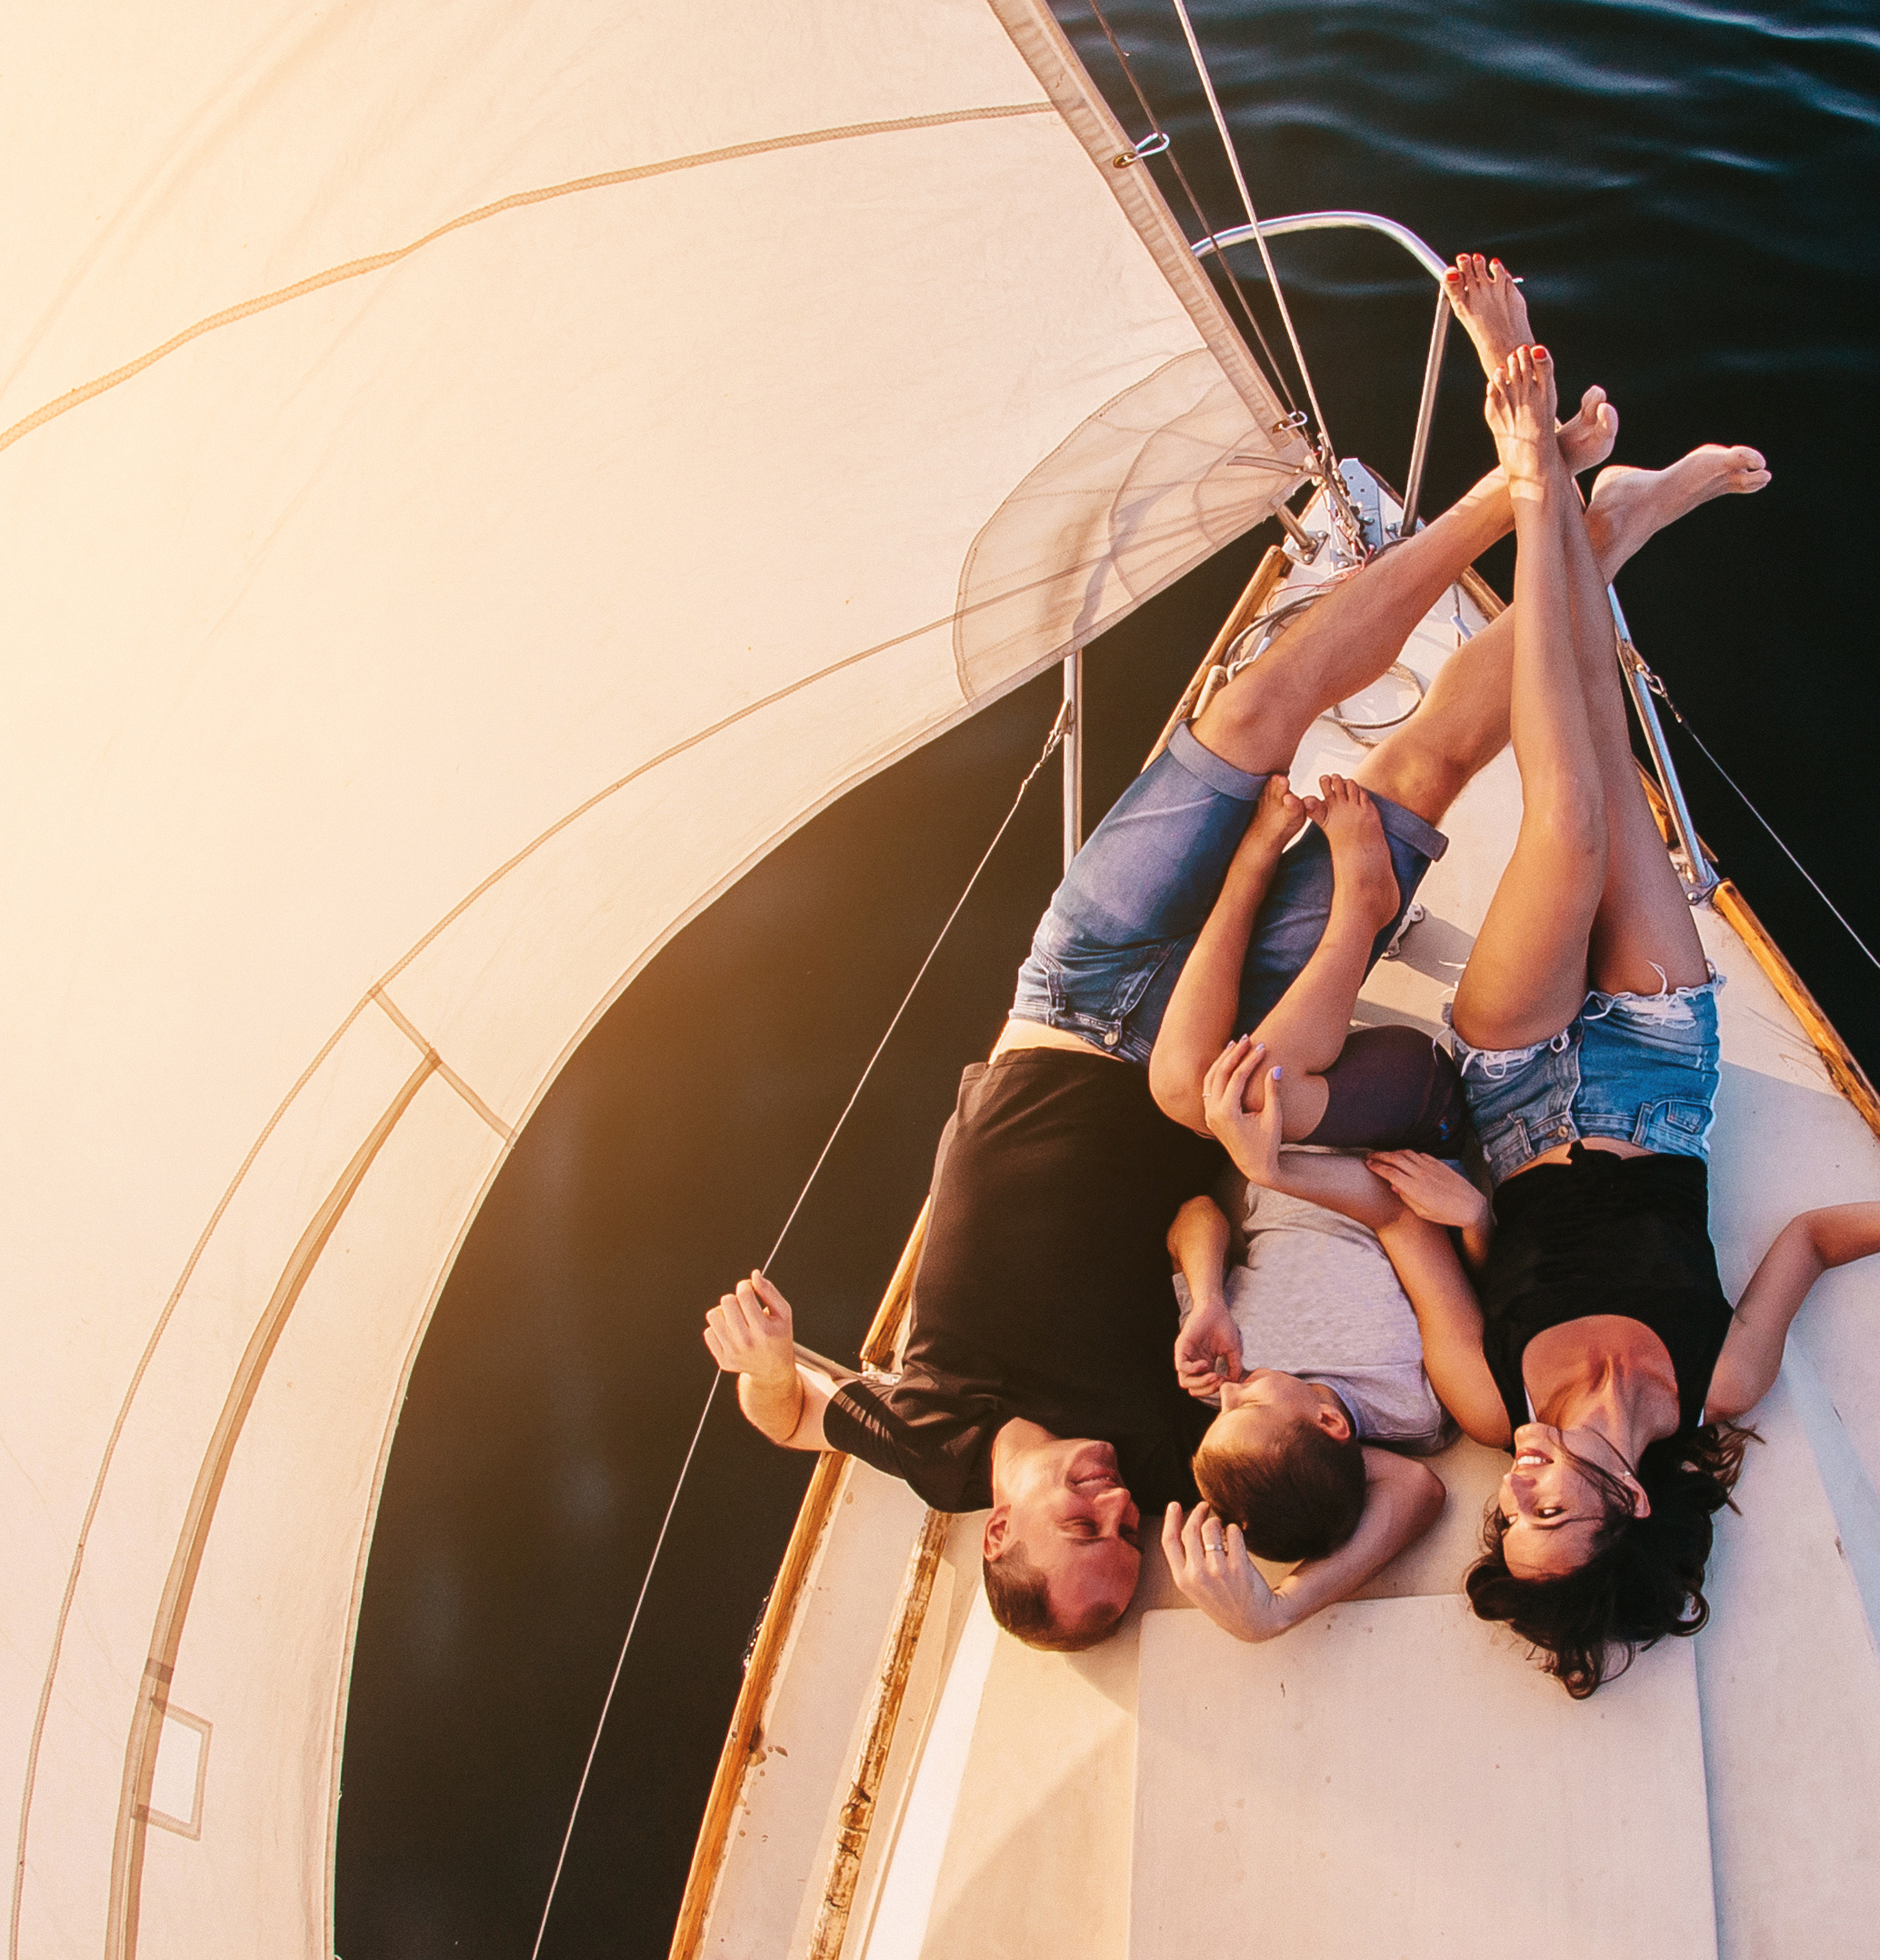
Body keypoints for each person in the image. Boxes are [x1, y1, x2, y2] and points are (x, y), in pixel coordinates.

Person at [705, 265, 1774, 1655]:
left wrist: (756, 1357)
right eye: (1122, 1541)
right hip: (1217, 1041)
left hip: (1068, 998)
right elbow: (1374, 1470)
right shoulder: (1165, 1443)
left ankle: (1509, 502)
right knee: (1422, 765)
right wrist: (1281, 1598)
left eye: (1075, 1525)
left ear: (1001, 1534)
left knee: (1260, 704)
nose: (1108, 1509)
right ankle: (1586, 524)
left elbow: (795, 1413)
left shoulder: (928, 1438)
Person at [1261, 267, 1880, 1697]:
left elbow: (1391, 1215)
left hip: (1511, 1085)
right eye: (1547, 1506)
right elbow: (1809, 1238)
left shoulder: (1484, 1398)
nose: (1522, 1480)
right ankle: (1605, 508)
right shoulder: (1715, 1387)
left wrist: (1377, 1182)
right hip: (1653, 1063)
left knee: (1563, 816)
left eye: (1509, 1507)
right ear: (1628, 1505)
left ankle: (1544, 479)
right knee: (1600, 752)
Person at [1150, 779, 1491, 1571]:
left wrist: (1204, 1296)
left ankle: (1254, 871)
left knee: (1183, 1085)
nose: (1228, 1390)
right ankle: (1358, 906)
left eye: (1219, 1408)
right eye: (1248, 1402)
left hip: (1275, 1135)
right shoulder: (1411, 1398)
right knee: (1253, 1088)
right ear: (1333, 1426)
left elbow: (1194, 1214)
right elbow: (1400, 1217)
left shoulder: (1222, 1373)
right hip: (1403, 1121)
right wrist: (1272, 1165)